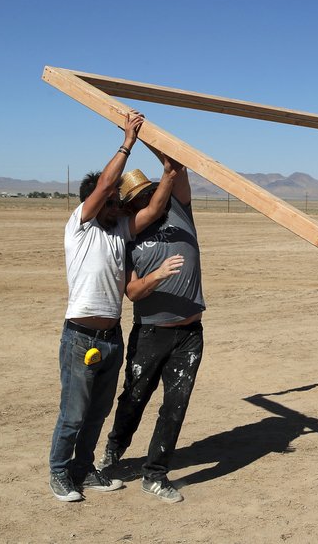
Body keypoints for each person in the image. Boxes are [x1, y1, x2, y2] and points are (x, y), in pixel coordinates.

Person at [48, 112, 179, 502]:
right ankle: (59, 473)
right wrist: (128, 142)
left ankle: (84, 470)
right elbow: (106, 183)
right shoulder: (81, 226)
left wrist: (170, 173)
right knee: (73, 413)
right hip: (80, 336)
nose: (118, 204)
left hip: (111, 337)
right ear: (99, 201)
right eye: (113, 200)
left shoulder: (119, 231)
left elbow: (153, 211)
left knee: (97, 413)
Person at [98, 156, 204, 504]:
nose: (148, 200)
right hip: (150, 332)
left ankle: (155, 474)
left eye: (150, 193)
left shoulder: (179, 211)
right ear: (131, 206)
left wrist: (150, 138)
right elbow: (131, 292)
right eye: (139, 198)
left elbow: (179, 169)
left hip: (190, 333)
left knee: (176, 404)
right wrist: (157, 276)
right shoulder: (128, 236)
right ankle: (115, 448)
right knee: (134, 398)